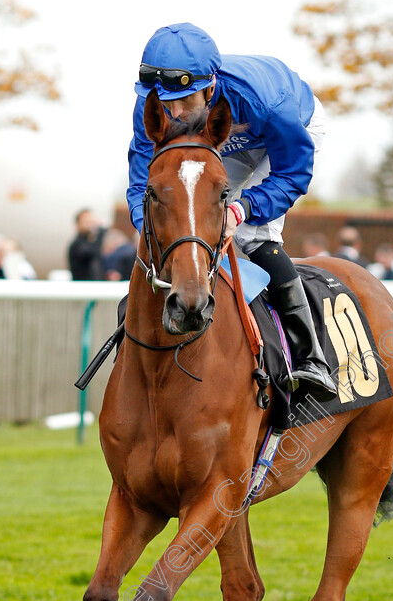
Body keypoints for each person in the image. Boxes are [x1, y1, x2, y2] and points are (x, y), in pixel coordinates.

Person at [127, 22, 336, 400]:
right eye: (165, 101)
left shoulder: (265, 102)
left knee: (251, 234)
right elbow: (144, 181)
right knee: (190, 218)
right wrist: (153, 235)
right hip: (227, 140)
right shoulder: (153, 105)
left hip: (288, 134)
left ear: (210, 87)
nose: (174, 112)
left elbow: (293, 174)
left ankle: (311, 356)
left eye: (185, 102)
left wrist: (242, 210)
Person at [68, 209, 106, 281]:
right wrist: (100, 231)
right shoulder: (76, 245)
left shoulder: (90, 242)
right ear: (78, 224)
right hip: (83, 288)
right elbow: (92, 252)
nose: (90, 224)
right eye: (86, 221)